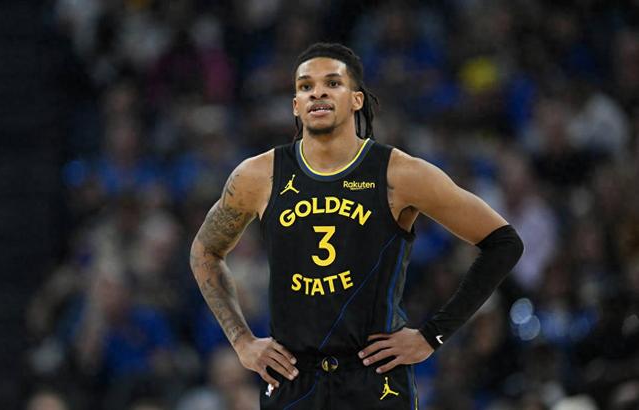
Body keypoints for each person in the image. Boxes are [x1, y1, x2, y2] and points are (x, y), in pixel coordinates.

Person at [189, 43, 524, 409]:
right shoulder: (258, 175)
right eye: (306, 86)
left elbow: (503, 242)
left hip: (374, 377)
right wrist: (241, 341)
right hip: (293, 377)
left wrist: (432, 335)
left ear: (356, 100)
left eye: (332, 83)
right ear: (296, 106)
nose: (317, 92)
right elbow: (205, 251)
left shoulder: (399, 173)